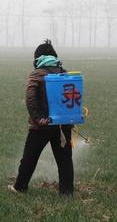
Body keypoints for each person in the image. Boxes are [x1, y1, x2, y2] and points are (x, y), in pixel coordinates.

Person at [9, 40, 74, 196]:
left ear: (38, 58)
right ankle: (66, 193)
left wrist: (38, 118)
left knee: (29, 158)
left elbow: (30, 97)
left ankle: (19, 187)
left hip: (41, 126)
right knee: (64, 160)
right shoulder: (64, 73)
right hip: (62, 125)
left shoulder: (37, 74)